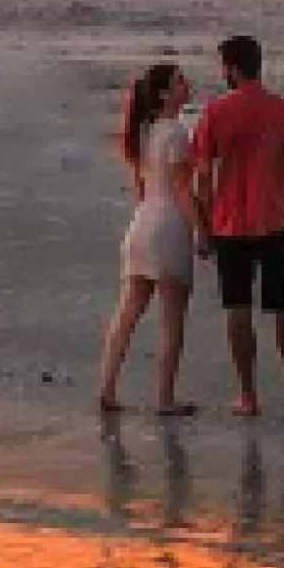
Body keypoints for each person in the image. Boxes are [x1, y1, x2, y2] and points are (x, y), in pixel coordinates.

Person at [190, 36, 284, 418]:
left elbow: (202, 176)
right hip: (273, 219)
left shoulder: (214, 113)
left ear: (230, 68)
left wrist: (204, 223)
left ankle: (247, 395)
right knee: (283, 304)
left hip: (229, 224)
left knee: (237, 307)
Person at [98, 63, 209, 417]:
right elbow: (180, 189)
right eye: (179, 81)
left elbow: (141, 187)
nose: (186, 84)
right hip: (169, 227)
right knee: (171, 318)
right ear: (164, 94)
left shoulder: (142, 131)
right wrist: (202, 230)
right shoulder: (177, 132)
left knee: (127, 311)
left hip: (141, 222)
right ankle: (164, 398)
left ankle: (107, 387)